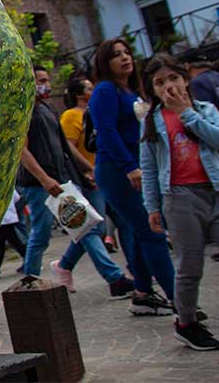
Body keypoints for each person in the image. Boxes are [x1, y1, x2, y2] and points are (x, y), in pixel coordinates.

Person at [17, 67, 133, 298]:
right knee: (41, 235)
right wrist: (43, 178)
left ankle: (114, 278)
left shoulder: (47, 110)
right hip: (40, 185)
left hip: (62, 181)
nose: (46, 84)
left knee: (85, 227)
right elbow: (22, 150)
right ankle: (29, 282)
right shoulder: (23, 112)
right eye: (41, 80)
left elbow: (65, 147)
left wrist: (87, 169)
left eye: (47, 80)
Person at [139, 54, 219, 350]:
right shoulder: (153, 121)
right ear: (152, 89)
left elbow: (218, 140)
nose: (168, 86)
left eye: (173, 78)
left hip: (215, 191)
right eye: (160, 83)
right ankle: (186, 322)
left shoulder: (204, 109)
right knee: (190, 264)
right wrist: (152, 207)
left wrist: (187, 113)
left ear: (185, 79)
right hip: (179, 198)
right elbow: (148, 166)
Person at [90, 38, 176, 316]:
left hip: (138, 166)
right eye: (116, 55)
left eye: (127, 52)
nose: (125, 58)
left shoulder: (130, 90)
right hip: (118, 170)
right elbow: (106, 131)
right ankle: (180, 300)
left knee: (141, 232)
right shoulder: (105, 90)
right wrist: (129, 167)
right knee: (152, 231)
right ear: (105, 62)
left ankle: (142, 293)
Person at [60, 77, 120, 253]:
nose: (93, 92)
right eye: (88, 89)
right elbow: (69, 146)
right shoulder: (71, 116)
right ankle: (65, 264)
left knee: (123, 221)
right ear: (79, 95)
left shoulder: (95, 111)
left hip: (107, 172)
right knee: (96, 227)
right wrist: (88, 168)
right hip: (90, 177)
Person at [0, 189, 26, 275]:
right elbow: (17, 198)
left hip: (2, 219)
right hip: (9, 217)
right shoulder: (9, 185)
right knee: (4, 243)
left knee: (12, 242)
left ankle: (30, 260)